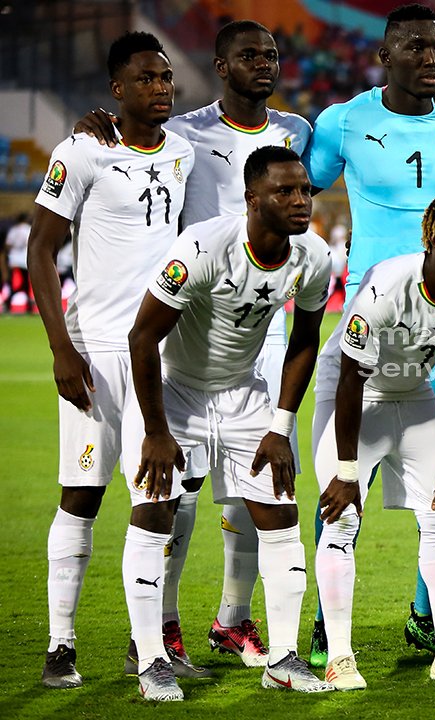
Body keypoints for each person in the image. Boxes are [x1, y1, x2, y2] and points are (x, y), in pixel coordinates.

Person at [75, 20, 313, 669]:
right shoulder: (184, 131)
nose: (263, 64)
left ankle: (233, 619)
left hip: (264, 329)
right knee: (176, 491)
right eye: (248, 55)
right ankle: (160, 628)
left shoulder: (298, 132)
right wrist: (99, 123)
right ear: (219, 66)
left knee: (257, 490)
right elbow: (135, 138)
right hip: (192, 324)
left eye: (271, 54)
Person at [303, 3, 435, 658]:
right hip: (371, 321)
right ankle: (325, 624)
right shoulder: (343, 121)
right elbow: (295, 183)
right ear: (385, 56)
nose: (432, 57)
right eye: (416, 47)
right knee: (347, 478)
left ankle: (424, 615)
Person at [125, 146, 333, 699]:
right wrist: (155, 430)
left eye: (305, 190)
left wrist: (280, 426)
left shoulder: (313, 256)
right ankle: (151, 660)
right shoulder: (202, 248)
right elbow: (142, 337)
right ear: (252, 199)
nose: (300, 200)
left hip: (245, 396)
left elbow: (304, 341)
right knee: (154, 513)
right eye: (284, 191)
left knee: (281, 517)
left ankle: (283, 659)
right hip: (175, 393)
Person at [28, 32, 194, 691]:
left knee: (160, 500)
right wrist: (60, 348)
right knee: (82, 496)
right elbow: (41, 250)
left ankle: (147, 651)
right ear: (117, 89)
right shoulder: (82, 151)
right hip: (95, 350)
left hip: (161, 355)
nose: (160, 87)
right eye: (145, 78)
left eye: (166, 76)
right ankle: (60, 646)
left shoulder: (182, 153)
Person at [314, 190, 435, 684]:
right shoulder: (386, 287)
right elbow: (352, 377)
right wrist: (347, 472)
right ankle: (338, 657)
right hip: (354, 391)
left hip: (413, 392)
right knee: (341, 518)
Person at [5, 212, 32, 313]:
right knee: (25, 283)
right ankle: (29, 305)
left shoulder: (13, 230)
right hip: (23, 260)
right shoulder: (28, 229)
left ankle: (8, 302)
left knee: (12, 282)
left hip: (13, 259)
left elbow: (8, 245)